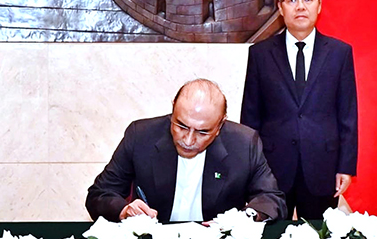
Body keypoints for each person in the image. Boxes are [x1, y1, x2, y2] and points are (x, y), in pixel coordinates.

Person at [241, 0, 357, 220]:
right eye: (292, 0)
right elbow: (250, 117)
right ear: (281, 8)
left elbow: (348, 115)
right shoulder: (260, 55)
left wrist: (345, 166)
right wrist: (249, 169)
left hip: (323, 166)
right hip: (272, 168)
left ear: (319, 5)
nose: (300, 6)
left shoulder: (339, 53)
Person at [86, 79, 287, 223]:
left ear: (219, 126)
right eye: (181, 126)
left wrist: (240, 220)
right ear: (173, 109)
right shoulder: (141, 136)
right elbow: (99, 195)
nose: (188, 140)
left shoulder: (244, 144)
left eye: (202, 132)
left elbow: (271, 198)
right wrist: (124, 209)